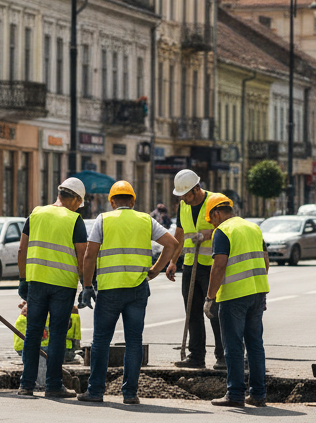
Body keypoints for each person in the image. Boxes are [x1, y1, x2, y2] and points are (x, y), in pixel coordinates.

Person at [77, 180, 180, 404]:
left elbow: (89, 254)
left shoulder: (103, 219)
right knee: (134, 341)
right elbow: (172, 244)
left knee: (101, 341)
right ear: (133, 201)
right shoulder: (145, 220)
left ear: (112, 202)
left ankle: (95, 391)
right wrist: (155, 270)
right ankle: (130, 393)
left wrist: (87, 286)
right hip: (137, 289)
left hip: (109, 290)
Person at [16, 176, 88, 399]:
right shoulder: (75, 220)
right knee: (57, 334)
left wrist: (23, 280)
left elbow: (22, 250)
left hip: (36, 283)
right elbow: (82, 257)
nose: (78, 207)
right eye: (79, 204)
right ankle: (53, 386)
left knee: (33, 332)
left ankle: (26, 385)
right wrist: (86, 285)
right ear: (76, 199)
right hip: (63, 285)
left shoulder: (36, 214)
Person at [202, 194, 269, 408]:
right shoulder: (253, 228)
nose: (212, 225)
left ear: (216, 213)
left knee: (233, 346)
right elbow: (265, 260)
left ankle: (235, 394)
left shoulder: (223, 231)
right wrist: (260, 290)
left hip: (234, 296)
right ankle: (258, 394)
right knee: (255, 345)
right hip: (257, 292)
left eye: (211, 220)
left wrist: (210, 297)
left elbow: (219, 266)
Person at [165, 168, 224, 370]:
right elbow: (179, 234)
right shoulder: (183, 205)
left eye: (185, 194)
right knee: (192, 313)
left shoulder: (214, 201)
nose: (183, 198)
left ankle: (223, 356)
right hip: (191, 266)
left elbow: (229, 226)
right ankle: (196, 356)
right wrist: (173, 261)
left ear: (196, 188)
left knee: (214, 312)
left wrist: (209, 233)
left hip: (212, 267)